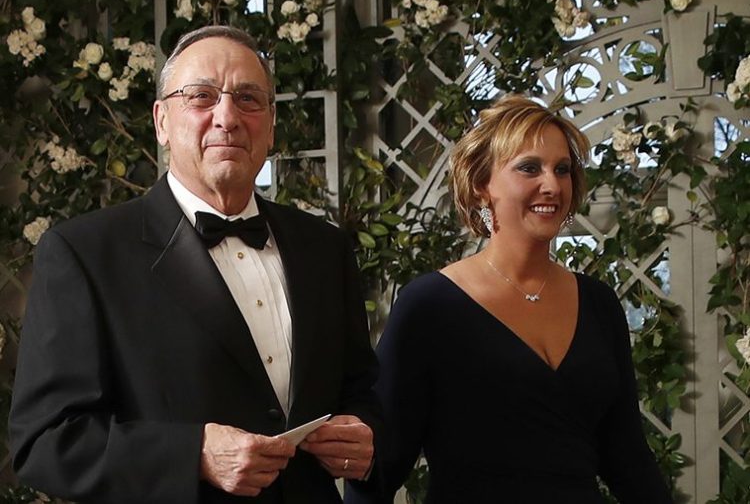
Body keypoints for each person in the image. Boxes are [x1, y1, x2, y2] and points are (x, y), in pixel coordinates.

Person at [10, 25, 381, 504]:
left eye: (248, 99)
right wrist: (193, 454)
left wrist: (364, 429)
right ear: (162, 121)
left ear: (270, 124)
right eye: (201, 97)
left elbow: (361, 389)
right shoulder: (83, 253)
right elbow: (45, 442)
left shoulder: (325, 248)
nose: (227, 117)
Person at [345, 95, 673, 503]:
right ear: (482, 185)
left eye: (562, 169)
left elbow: (629, 460)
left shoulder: (599, 304)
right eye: (529, 168)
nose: (552, 184)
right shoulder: (429, 306)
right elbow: (381, 467)